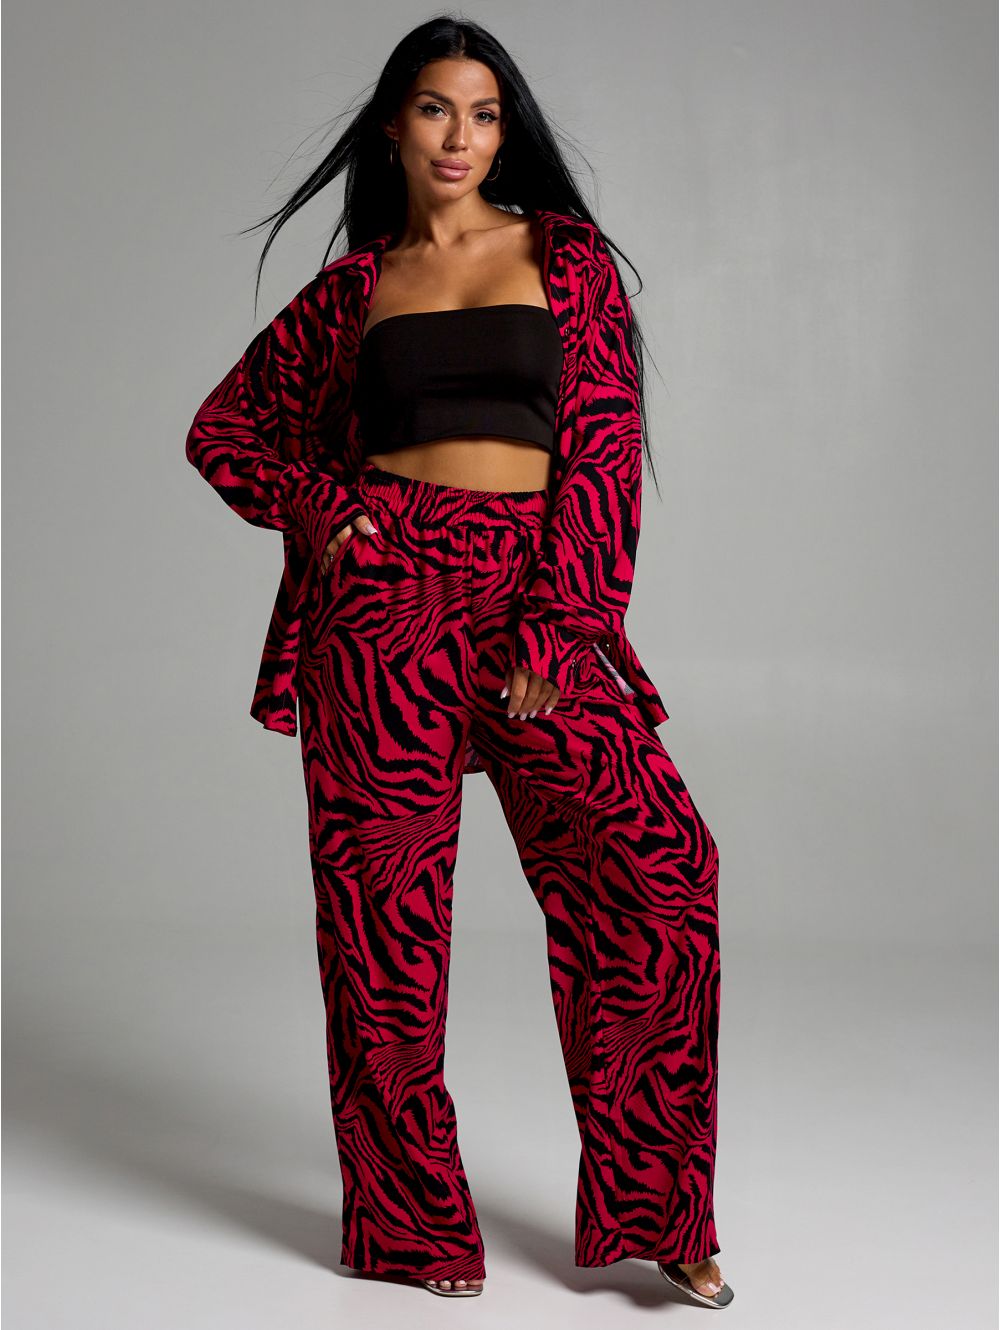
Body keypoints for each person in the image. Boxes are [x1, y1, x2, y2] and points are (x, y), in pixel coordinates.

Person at [185, 14, 731, 1309]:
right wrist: (323, 508)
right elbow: (226, 430)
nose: (460, 136)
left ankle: (661, 1209)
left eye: (484, 114)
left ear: (505, 131)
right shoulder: (354, 290)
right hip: (382, 607)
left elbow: (603, 449)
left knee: (661, 874)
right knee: (384, 928)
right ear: (395, 125)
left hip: (532, 591)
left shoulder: (564, 257)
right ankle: (409, 1227)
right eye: (437, 109)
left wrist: (563, 618)